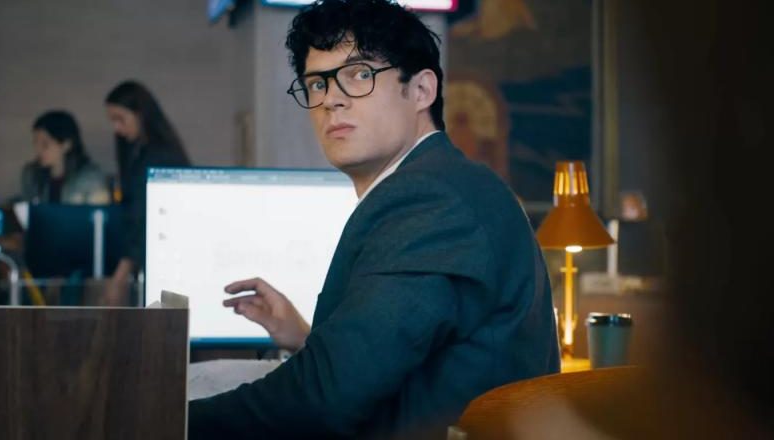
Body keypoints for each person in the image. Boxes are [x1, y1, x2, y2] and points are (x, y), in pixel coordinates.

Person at [188, 0, 559, 438]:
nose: (331, 100)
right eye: (317, 84)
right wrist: (308, 338)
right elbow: (398, 363)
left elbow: (323, 400)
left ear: (421, 90)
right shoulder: (444, 182)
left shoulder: (431, 199)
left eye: (359, 74)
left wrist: (164, 419)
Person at [103, 80, 191, 305]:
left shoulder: (159, 157)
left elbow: (142, 218)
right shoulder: (140, 152)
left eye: (120, 119)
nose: (116, 128)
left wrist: (121, 274)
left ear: (140, 114)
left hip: (162, 261)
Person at [20, 110, 110, 205]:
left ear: (66, 144)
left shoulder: (89, 177)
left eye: (45, 144)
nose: (38, 150)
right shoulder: (32, 175)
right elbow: (28, 207)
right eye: (35, 143)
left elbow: (95, 211)